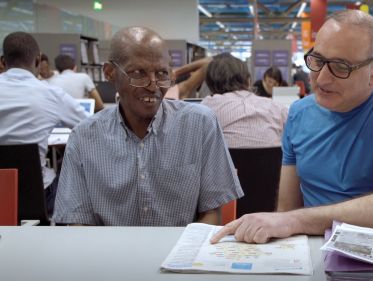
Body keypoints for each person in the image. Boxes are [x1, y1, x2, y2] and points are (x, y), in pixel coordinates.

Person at [211, 10, 373, 244]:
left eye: (340, 67)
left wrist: (295, 221)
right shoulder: (299, 113)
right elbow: (287, 209)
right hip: (322, 246)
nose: (321, 79)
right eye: (317, 61)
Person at [53, 26, 243, 226]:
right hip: (110, 254)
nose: (153, 86)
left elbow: (212, 212)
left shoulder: (200, 125)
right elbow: (77, 223)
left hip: (179, 254)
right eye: (138, 73)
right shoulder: (84, 138)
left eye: (162, 73)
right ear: (110, 73)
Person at [0, 32, 88, 216]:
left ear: (2, 61)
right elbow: (90, 127)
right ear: (38, 60)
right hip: (35, 195)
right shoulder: (51, 94)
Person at [201, 53, 288, 148]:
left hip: (225, 162)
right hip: (272, 162)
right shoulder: (278, 108)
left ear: (209, 83)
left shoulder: (206, 107)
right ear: (248, 81)